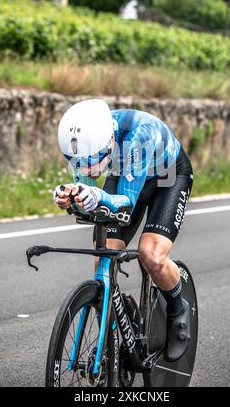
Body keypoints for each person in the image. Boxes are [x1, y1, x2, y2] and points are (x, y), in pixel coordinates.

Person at [54, 98, 194, 362]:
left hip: (168, 177)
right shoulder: (89, 139)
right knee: (103, 256)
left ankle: (178, 309)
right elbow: (88, 193)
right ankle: (114, 327)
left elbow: (126, 204)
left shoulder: (137, 138)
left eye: (90, 163)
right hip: (127, 171)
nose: (85, 170)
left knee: (151, 255)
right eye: (77, 164)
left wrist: (95, 195)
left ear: (107, 145)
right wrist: (71, 197)